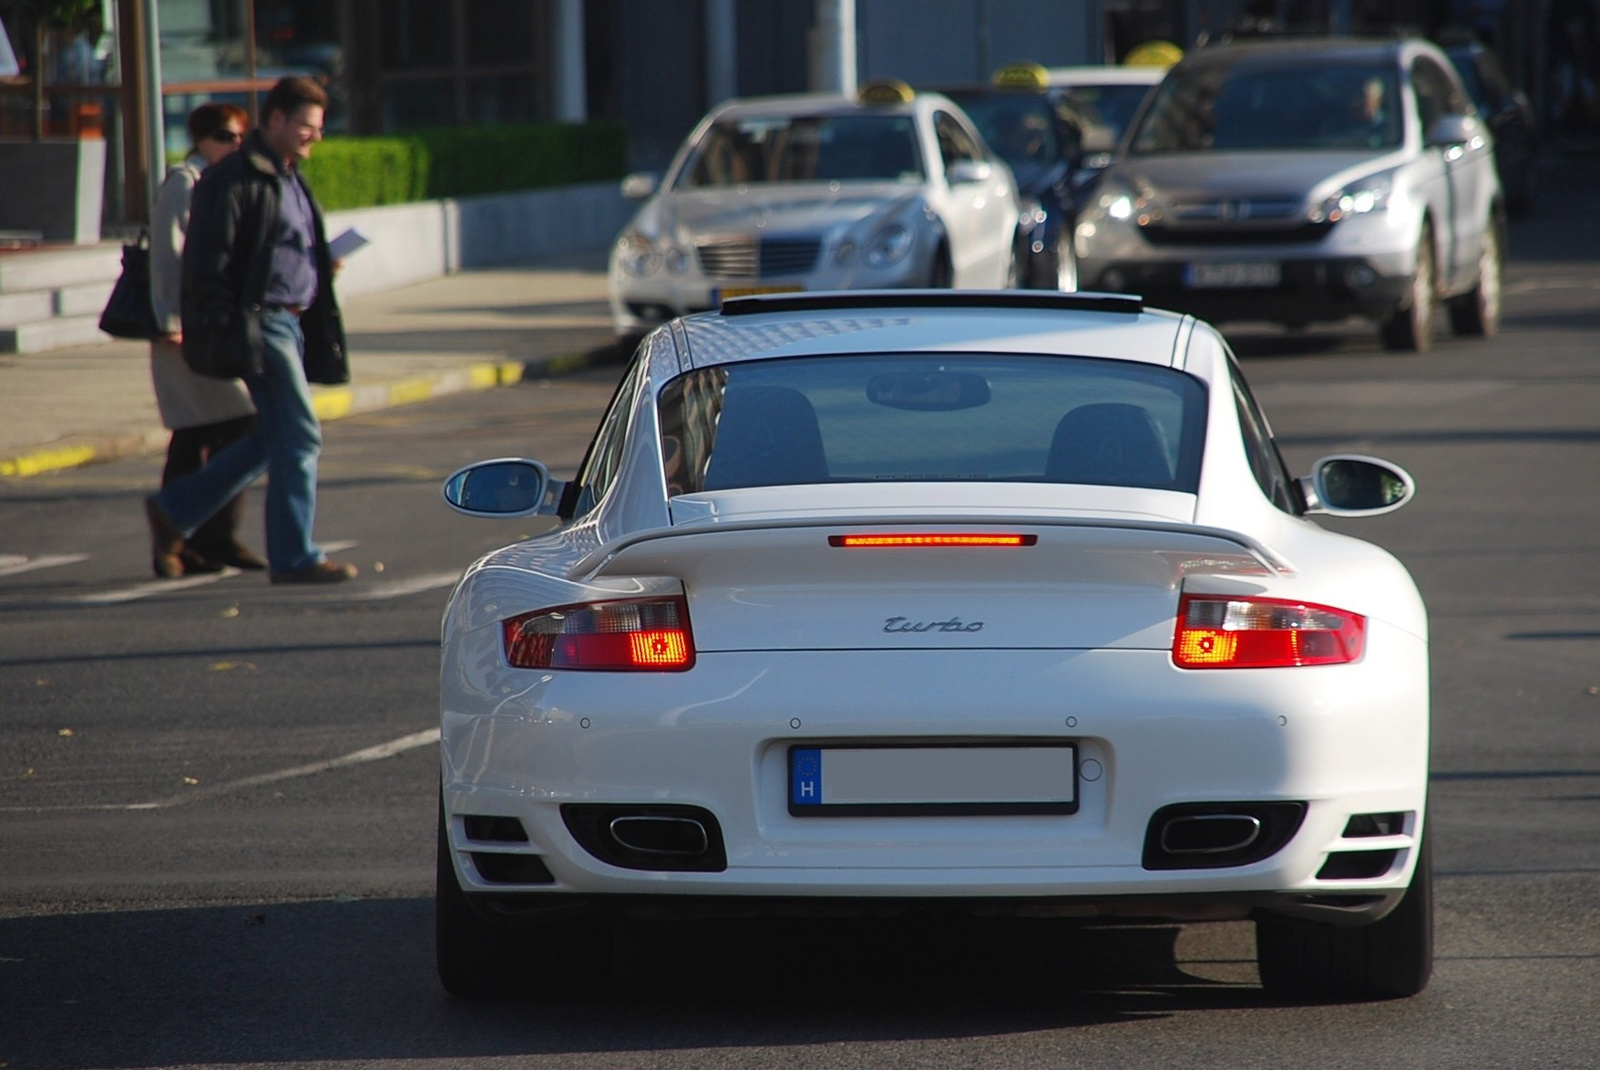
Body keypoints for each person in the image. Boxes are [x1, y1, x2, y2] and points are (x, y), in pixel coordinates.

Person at [144, 76, 357, 585]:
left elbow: (281, 246)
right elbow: (206, 261)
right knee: (301, 434)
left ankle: (176, 510)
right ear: (276, 119)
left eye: (319, 128)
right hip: (261, 323)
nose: (315, 137)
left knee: (274, 436)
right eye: (307, 126)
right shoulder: (234, 178)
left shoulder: (288, 177)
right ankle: (295, 556)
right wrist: (215, 325)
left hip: (292, 321)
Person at [146, 102, 264, 577]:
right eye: (224, 135)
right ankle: (187, 533)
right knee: (211, 429)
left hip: (215, 323)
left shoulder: (224, 182)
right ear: (199, 138)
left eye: (240, 136)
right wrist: (169, 318)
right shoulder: (185, 183)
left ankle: (201, 535)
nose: (235, 144)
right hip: (183, 328)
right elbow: (167, 254)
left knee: (219, 428)